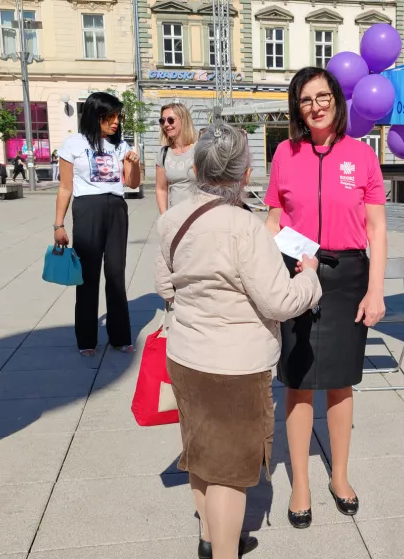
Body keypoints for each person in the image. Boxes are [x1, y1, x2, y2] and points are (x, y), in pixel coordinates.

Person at [155, 124, 322, 559]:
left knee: (199, 452)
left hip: (185, 355)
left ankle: (210, 539)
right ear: (246, 174)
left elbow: (164, 285)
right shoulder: (247, 228)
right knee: (228, 472)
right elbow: (278, 302)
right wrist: (309, 278)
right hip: (236, 366)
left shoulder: (171, 220)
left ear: (196, 169)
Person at [264, 66, 387, 528]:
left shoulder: (363, 155)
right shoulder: (285, 153)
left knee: (340, 381)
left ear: (336, 99)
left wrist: (375, 290)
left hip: (347, 276)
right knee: (297, 380)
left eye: (322, 97)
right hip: (296, 272)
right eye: (305, 100)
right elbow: (273, 219)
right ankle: (300, 483)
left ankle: (339, 476)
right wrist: (265, 270)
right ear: (297, 109)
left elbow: (376, 228)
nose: (315, 106)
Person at [52, 91, 140, 356]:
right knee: (88, 276)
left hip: (116, 209)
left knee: (116, 274)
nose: (116, 122)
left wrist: (134, 164)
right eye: (110, 117)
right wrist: (58, 225)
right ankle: (87, 339)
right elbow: (65, 187)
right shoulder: (73, 144)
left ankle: (120, 337)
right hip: (87, 209)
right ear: (95, 115)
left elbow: (132, 183)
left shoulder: (120, 145)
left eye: (118, 117)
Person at [155, 103, 198, 214]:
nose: (166, 124)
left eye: (171, 120)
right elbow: (161, 189)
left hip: (200, 216)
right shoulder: (163, 153)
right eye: (162, 121)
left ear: (184, 120)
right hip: (176, 217)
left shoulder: (199, 149)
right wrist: (164, 216)